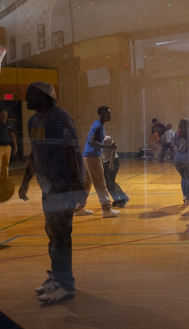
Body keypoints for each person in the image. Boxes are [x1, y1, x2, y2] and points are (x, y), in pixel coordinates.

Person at [18, 81, 88, 303]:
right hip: (48, 186)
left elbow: (69, 151)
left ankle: (66, 285)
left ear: (45, 97)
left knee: (61, 235)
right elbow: (35, 154)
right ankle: (57, 277)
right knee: (53, 234)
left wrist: (76, 185)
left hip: (64, 185)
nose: (26, 99)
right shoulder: (33, 121)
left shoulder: (59, 117)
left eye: (30, 95)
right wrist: (26, 181)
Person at [80, 105, 120, 218]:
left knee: (87, 182)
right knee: (100, 182)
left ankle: (79, 207)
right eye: (108, 113)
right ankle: (106, 209)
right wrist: (109, 147)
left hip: (87, 155)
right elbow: (92, 143)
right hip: (92, 156)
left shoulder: (97, 124)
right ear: (102, 114)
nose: (110, 115)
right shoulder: (98, 127)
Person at [102, 135, 130, 208]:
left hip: (113, 161)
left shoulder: (106, 138)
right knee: (106, 183)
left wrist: (111, 163)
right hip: (104, 162)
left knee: (111, 181)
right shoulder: (95, 141)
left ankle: (124, 197)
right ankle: (116, 199)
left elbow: (113, 150)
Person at [0, 109, 17, 178]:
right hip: (0, 146)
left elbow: (13, 135)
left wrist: (15, 146)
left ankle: (5, 180)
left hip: (7, 147)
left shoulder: (10, 124)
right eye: (2, 113)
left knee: (6, 165)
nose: (4, 115)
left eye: (5, 113)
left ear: (7, 115)